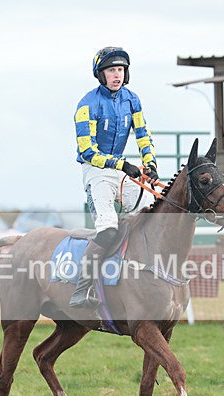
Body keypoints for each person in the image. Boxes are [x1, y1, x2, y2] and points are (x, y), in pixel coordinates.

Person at [70, 46, 159, 309]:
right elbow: (87, 152)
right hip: (97, 171)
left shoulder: (133, 100)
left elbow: (143, 135)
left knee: (154, 216)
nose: (117, 75)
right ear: (101, 75)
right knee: (108, 230)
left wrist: (150, 163)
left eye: (120, 70)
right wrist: (122, 164)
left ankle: (151, 278)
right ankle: (82, 288)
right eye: (111, 70)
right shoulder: (87, 104)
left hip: (121, 171)